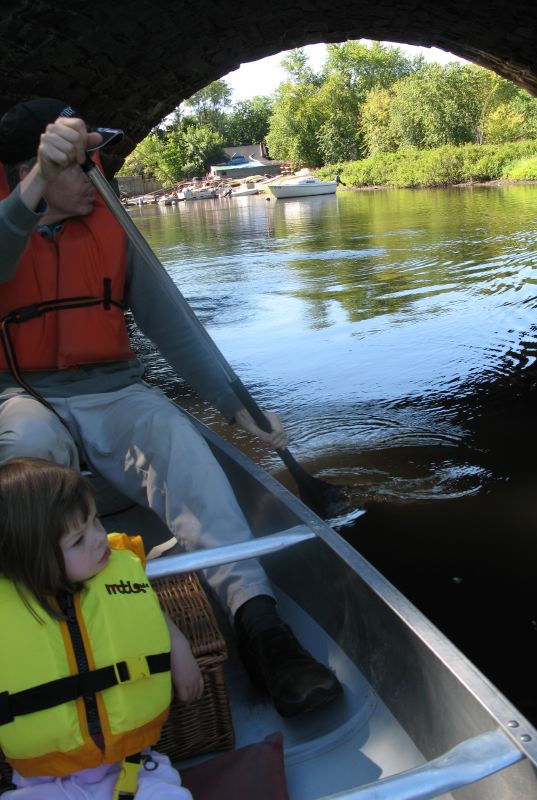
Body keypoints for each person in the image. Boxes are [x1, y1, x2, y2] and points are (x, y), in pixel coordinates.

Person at [0, 97, 341, 718]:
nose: (97, 176)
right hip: (18, 392)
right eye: (81, 165)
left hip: (112, 388)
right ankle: (53, 634)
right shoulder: (8, 218)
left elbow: (175, 326)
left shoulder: (110, 222)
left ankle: (261, 628)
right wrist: (34, 188)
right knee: (29, 461)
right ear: (37, 170)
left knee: (178, 438)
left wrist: (236, 407)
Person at [0, 457, 202, 798]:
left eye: (96, 521)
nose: (98, 539)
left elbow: (151, 616)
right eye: (77, 541)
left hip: (135, 767)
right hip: (44, 783)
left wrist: (180, 648)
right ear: (33, 559)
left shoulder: (117, 575)